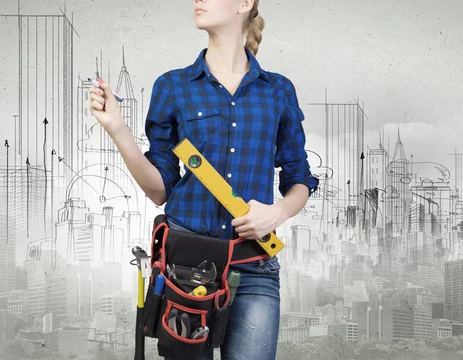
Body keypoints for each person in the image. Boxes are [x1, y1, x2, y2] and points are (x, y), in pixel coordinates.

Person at [89, 0, 319, 359]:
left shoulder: (278, 91)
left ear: (245, 3)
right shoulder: (173, 86)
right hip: (183, 269)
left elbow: (299, 178)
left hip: (254, 268)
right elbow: (159, 189)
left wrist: (277, 214)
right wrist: (117, 129)